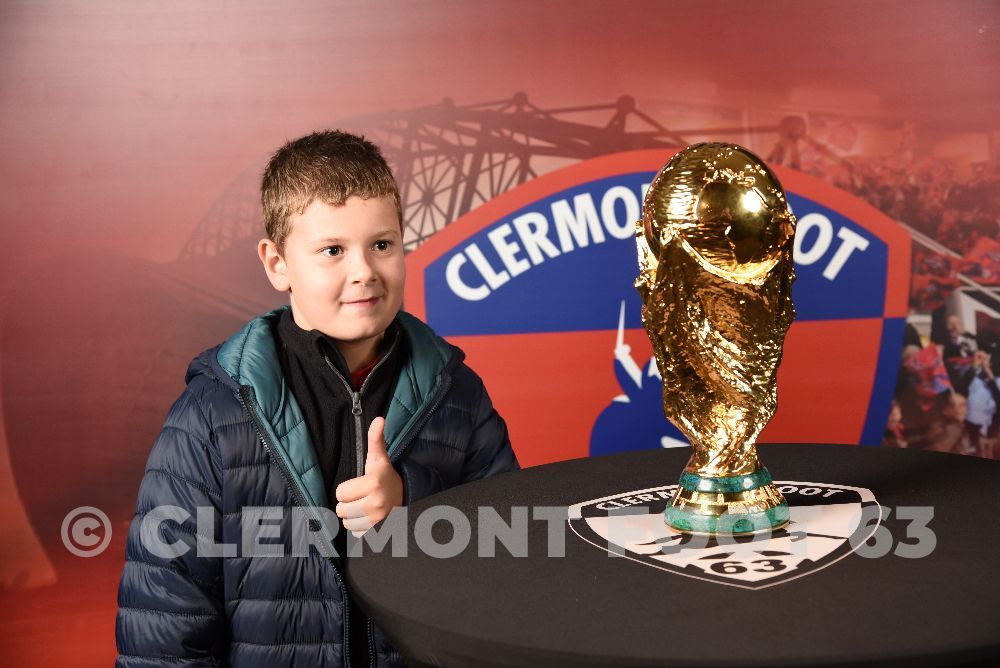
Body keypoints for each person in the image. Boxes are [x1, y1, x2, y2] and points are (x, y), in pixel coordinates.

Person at [115, 130, 519, 667]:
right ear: (277, 263)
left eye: (382, 244)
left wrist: (412, 508)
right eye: (332, 250)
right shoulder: (212, 416)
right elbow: (164, 624)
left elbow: (517, 557)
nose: (365, 272)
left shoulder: (456, 393)